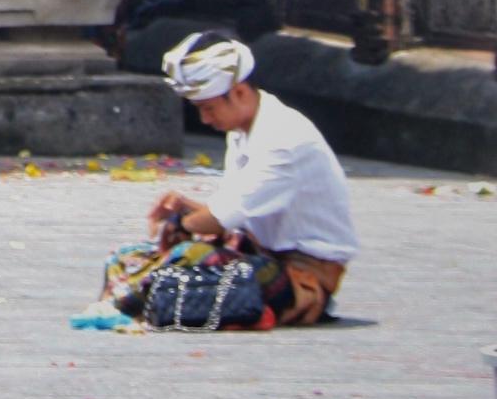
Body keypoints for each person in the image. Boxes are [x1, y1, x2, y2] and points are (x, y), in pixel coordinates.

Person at [102, 31, 358, 328]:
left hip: (304, 277)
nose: (205, 120)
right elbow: (231, 213)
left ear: (238, 92)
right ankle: (132, 298)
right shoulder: (243, 132)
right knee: (126, 257)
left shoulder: (283, 138)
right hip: (261, 254)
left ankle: (124, 302)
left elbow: (220, 218)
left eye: (208, 108)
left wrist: (179, 225)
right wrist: (186, 207)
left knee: (191, 255)